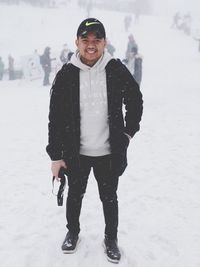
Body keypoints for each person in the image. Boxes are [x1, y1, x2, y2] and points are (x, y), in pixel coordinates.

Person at [46, 18, 143, 264]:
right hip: (76, 152)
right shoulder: (66, 74)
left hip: (109, 153)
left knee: (109, 198)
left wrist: (127, 133)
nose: (91, 45)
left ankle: (110, 238)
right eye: (86, 40)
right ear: (76, 42)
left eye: (96, 40)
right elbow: (55, 117)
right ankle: (73, 232)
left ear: (104, 42)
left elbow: (135, 100)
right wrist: (56, 156)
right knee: (75, 196)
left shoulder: (116, 69)